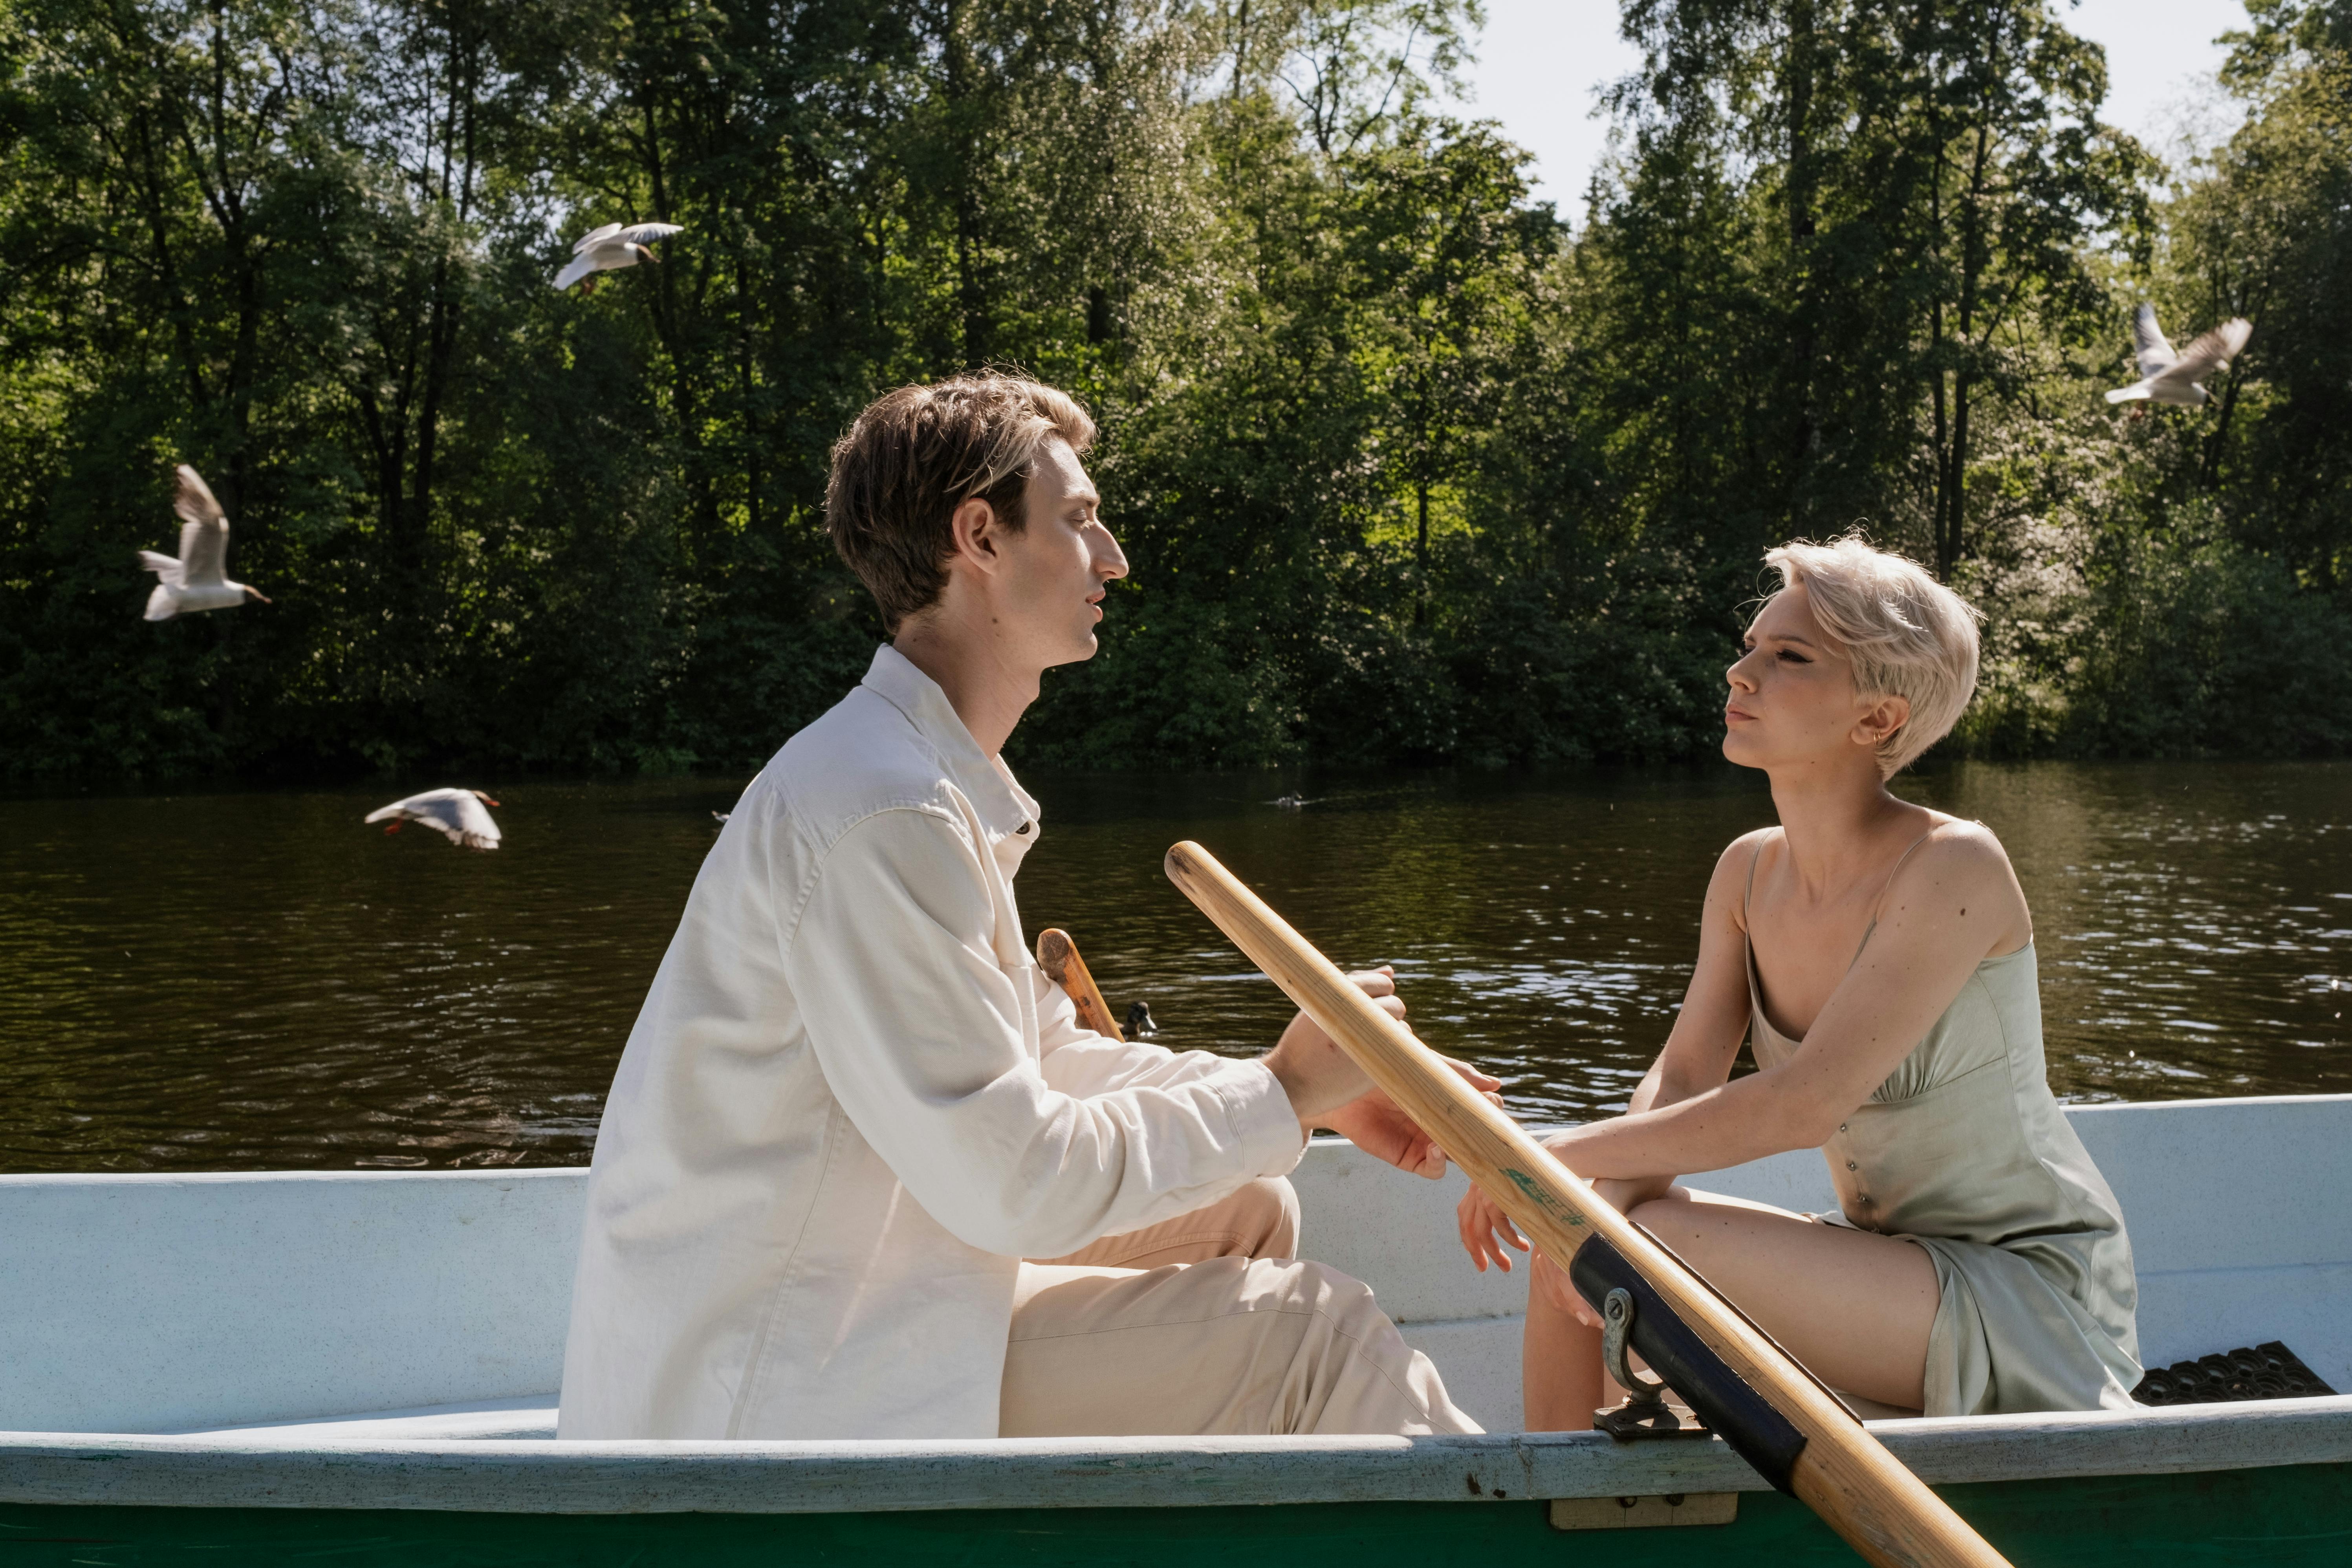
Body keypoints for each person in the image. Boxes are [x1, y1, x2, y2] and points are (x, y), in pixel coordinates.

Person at [558, 372, 1486, 1442]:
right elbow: (1015, 1183)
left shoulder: (918, 780)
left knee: (1247, 1208)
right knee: (1315, 1338)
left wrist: (1302, 1097)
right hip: (780, 1379)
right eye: (1082, 520)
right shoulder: (883, 811)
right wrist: (1279, 1092)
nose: (1114, 559)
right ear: (979, 538)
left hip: (857, 1294)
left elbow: (1042, 1063)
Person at [1458, 534, 2139, 1424]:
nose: (1742, 673)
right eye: (1751, 646)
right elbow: (1682, 1079)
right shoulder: (1747, 873)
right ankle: (1550, 1521)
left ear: (1878, 720)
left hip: (2025, 1296)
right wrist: (1586, 1197)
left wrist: (1544, 1158)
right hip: (1884, 1269)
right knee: (1581, 1235)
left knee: (1638, 1241)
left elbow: (1802, 1104)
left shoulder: (1954, 865)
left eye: (1789, 658)